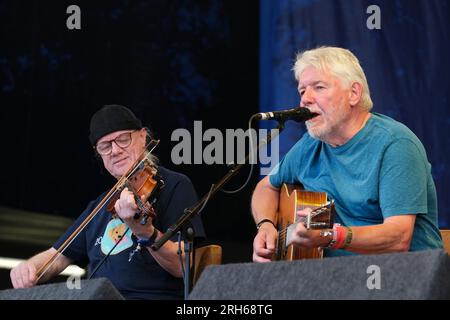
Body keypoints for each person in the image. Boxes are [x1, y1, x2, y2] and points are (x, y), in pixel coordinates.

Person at [252, 46, 443, 262]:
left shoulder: (396, 144)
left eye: (319, 87)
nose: (305, 99)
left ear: (354, 94)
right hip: (334, 278)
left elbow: (398, 238)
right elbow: (266, 186)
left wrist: (330, 236)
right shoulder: (309, 146)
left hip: (405, 277)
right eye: (302, 90)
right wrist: (265, 225)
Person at [10, 104, 205, 299]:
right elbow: (58, 256)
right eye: (105, 146)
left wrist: (144, 231)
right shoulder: (101, 205)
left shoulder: (173, 185)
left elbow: (183, 266)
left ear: (143, 137)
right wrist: (30, 267)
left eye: (123, 139)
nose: (115, 150)